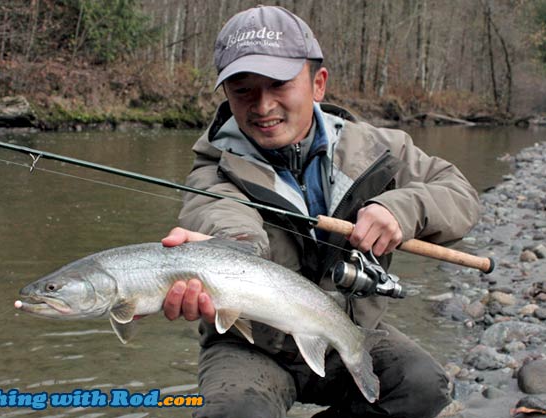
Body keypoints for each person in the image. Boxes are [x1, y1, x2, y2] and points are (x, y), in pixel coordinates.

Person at [159, 5, 480, 418]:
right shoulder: (212, 168)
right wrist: (225, 251)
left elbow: (459, 194)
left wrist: (401, 208)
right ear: (227, 95)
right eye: (243, 90)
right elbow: (226, 221)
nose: (262, 105)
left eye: (279, 85)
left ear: (318, 84)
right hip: (252, 342)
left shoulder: (380, 150)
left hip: (346, 329)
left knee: (422, 386)